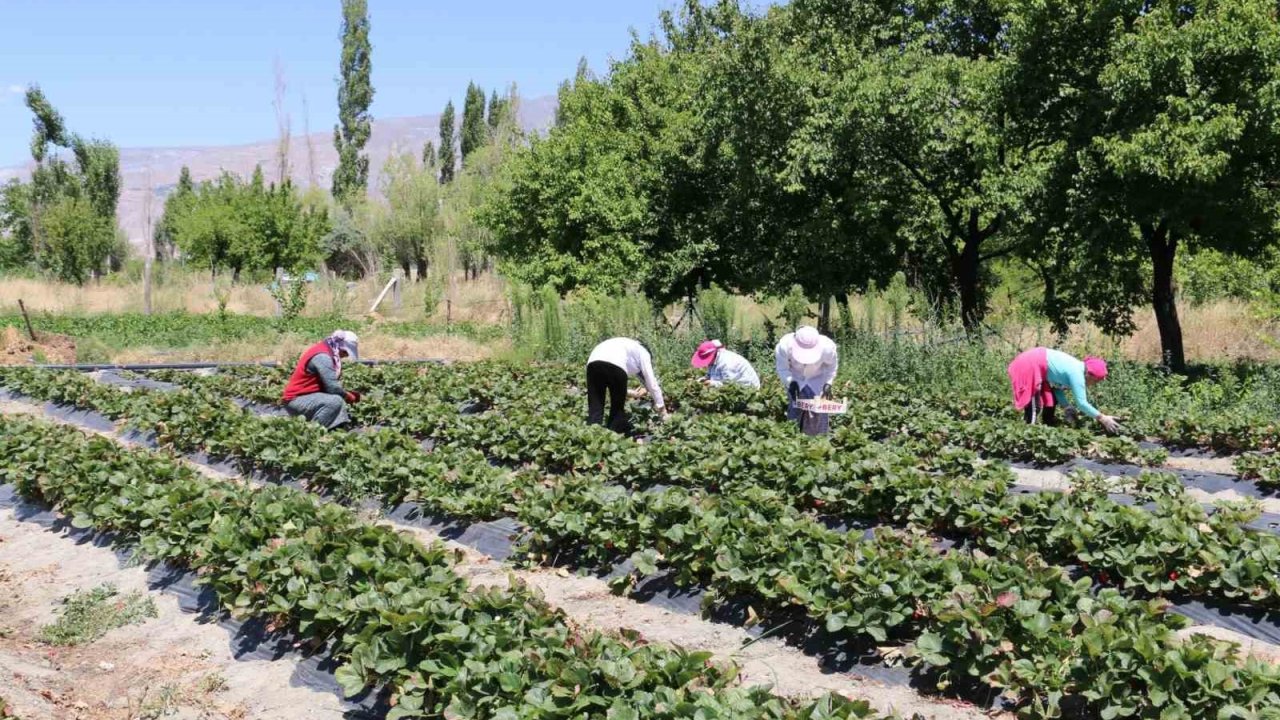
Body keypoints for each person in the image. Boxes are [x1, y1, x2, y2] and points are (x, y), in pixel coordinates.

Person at [1007, 347, 1120, 433]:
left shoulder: (1077, 367)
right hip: (1029, 364)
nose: (1093, 384)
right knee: (1034, 406)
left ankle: (1047, 426)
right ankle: (1028, 434)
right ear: (1090, 375)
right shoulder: (1077, 374)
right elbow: (1082, 403)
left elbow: (1056, 388)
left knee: (1051, 399)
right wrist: (1103, 418)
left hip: (1036, 361)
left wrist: (1066, 406)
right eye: (1096, 381)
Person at [281, 330, 362, 430]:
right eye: (345, 351)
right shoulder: (323, 356)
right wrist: (349, 397)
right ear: (339, 345)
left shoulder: (327, 349)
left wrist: (346, 394)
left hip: (307, 396)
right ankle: (312, 434)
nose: (346, 355)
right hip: (295, 400)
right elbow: (332, 388)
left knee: (336, 401)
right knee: (335, 402)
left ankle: (330, 430)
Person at [586, 337, 668, 433]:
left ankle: (592, 436)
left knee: (595, 406)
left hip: (592, 362)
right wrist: (662, 408)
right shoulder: (644, 352)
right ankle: (613, 435)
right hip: (615, 365)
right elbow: (651, 382)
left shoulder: (625, 345)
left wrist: (631, 393)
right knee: (617, 410)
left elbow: (613, 384)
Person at [775, 326, 839, 435]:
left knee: (818, 411)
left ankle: (818, 438)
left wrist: (828, 382)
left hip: (817, 378)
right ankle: (794, 436)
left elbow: (831, 367)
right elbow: (783, 368)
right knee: (795, 407)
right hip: (795, 377)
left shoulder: (827, 348)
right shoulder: (784, 346)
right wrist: (791, 382)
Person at [691, 339, 761, 388]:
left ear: (713, 354)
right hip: (732, 384)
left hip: (747, 389)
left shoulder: (727, 363)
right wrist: (701, 380)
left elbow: (729, 385)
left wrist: (712, 383)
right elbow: (709, 375)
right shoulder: (713, 360)